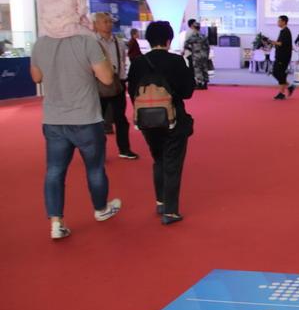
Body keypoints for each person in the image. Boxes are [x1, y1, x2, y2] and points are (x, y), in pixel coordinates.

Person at [30, 26, 123, 240]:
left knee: (54, 171)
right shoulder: (87, 42)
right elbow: (107, 78)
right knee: (95, 169)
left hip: (54, 118)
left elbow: (36, 77)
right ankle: (101, 209)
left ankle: (56, 222)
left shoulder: (40, 43)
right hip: (86, 117)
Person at [127, 21, 195, 225]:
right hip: (174, 118)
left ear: (148, 39)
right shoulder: (176, 61)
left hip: (147, 119)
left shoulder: (138, 62)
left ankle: (160, 201)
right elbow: (187, 92)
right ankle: (171, 211)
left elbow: (132, 91)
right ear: (168, 40)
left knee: (159, 160)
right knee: (173, 162)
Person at [94, 12, 138, 160]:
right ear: (96, 25)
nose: (109, 24)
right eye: (105, 21)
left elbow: (123, 61)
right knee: (97, 121)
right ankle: (98, 153)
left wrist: (122, 80)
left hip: (117, 84)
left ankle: (124, 149)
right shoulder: (91, 42)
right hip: (97, 85)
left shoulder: (118, 42)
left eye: (110, 21)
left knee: (121, 119)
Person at [272, 15, 295, 100]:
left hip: (283, 57)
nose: (277, 22)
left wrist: (272, 42)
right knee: (278, 73)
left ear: (284, 22)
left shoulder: (286, 31)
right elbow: (280, 43)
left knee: (278, 73)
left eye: (279, 21)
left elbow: (282, 43)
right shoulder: (283, 31)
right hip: (280, 56)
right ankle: (288, 87)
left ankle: (283, 92)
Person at [183, 19, 211, 90]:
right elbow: (208, 47)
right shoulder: (204, 36)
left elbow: (186, 44)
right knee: (204, 68)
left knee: (197, 69)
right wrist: (207, 54)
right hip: (204, 55)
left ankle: (199, 83)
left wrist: (191, 50)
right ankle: (205, 83)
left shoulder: (193, 36)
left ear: (194, 28)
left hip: (196, 55)